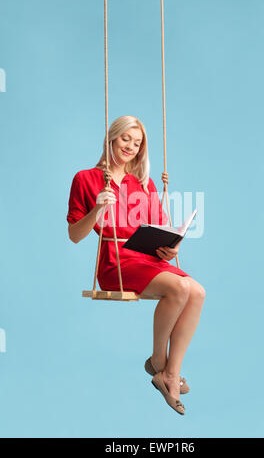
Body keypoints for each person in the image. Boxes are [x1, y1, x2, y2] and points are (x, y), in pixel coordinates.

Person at [66, 115, 206, 414]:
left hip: (148, 259)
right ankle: (158, 362)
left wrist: (170, 247)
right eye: (125, 139)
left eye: (138, 142)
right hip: (115, 264)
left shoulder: (142, 183)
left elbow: (160, 226)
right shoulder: (86, 179)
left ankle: (169, 373)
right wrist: (97, 209)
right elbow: (75, 235)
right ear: (111, 139)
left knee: (197, 293)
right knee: (181, 287)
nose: (131, 146)